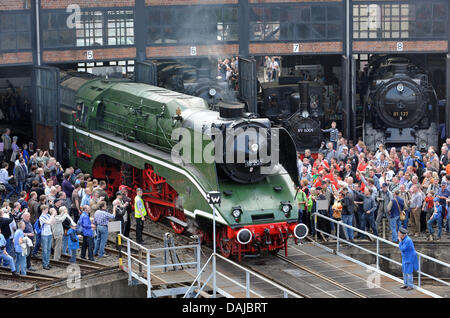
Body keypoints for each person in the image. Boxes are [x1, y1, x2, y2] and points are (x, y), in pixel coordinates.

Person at [39, 205, 55, 270]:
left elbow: (52, 222)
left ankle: (48, 262)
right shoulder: (41, 217)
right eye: (46, 209)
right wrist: (53, 215)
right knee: (45, 250)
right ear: (43, 210)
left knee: (48, 249)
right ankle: (45, 264)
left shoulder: (48, 215)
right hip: (44, 234)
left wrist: (52, 217)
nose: (47, 210)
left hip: (49, 233)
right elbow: (48, 222)